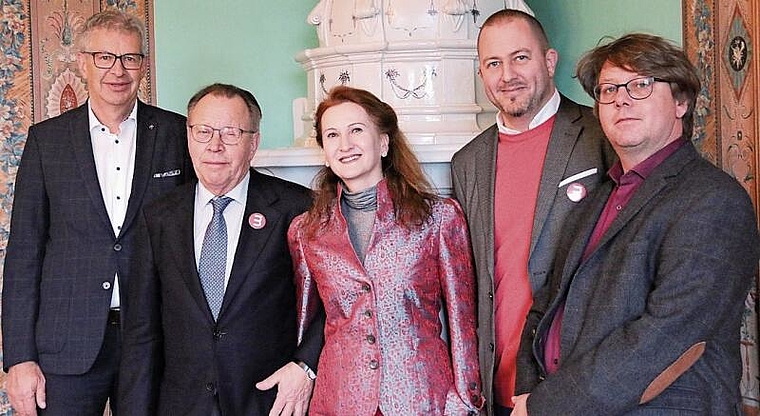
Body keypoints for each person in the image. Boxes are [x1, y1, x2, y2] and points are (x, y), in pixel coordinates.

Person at [512, 33, 760, 415]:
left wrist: (547, 405)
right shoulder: (594, 200)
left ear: (680, 102)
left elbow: (665, 336)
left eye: (641, 85)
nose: (621, 99)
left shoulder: (713, 200)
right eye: (607, 90)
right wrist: (529, 394)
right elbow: (544, 308)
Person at [1, 10, 193, 416]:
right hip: (65, 344)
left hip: (153, 339)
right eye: (105, 57)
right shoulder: (47, 141)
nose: (118, 70)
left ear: (143, 65)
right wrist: (19, 359)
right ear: (83, 61)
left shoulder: (179, 134)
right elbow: (24, 255)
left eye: (130, 58)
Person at [118, 83, 323, 416]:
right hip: (182, 405)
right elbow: (142, 332)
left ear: (253, 142)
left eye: (231, 133)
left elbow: (332, 301)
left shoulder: (296, 208)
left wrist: (305, 366)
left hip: (269, 401)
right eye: (203, 132)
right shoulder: (159, 216)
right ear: (188, 137)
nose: (215, 145)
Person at [450, 9, 616, 414]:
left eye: (520, 57)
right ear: (482, 74)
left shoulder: (602, 135)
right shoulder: (467, 162)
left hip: (573, 382)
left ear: (550, 60)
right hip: (497, 387)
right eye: (493, 63)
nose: (507, 74)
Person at [288, 86, 484, 415]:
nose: (345, 144)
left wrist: (466, 399)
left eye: (356, 131)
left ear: (383, 142)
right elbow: (305, 327)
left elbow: (463, 324)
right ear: (324, 150)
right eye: (332, 134)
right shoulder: (306, 231)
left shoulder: (438, 218)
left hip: (423, 398)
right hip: (339, 402)